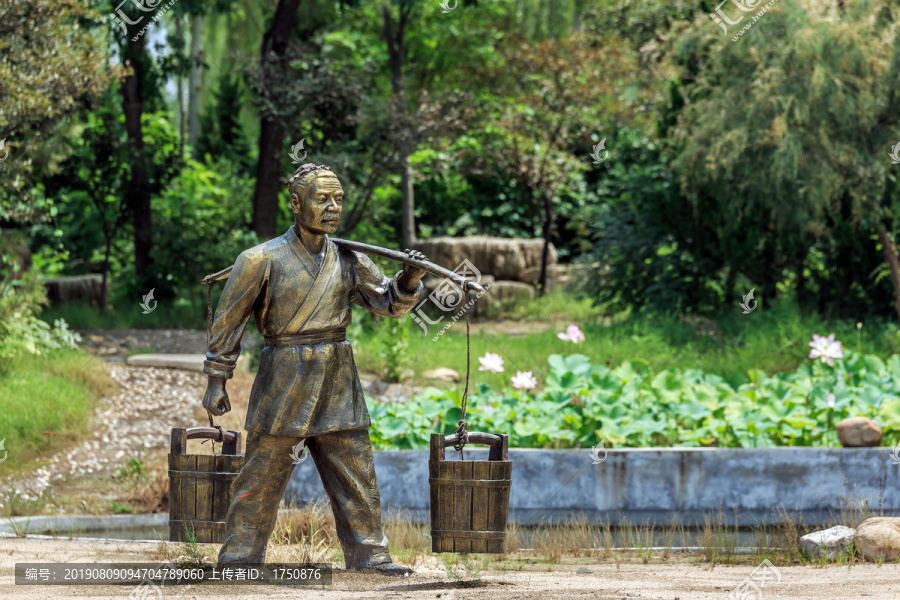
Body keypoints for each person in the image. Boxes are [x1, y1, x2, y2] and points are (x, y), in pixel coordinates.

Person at [202, 163, 426, 576]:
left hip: (338, 373)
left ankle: (370, 555)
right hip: (284, 374)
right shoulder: (258, 260)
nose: (332, 207)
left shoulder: (350, 258)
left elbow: (388, 304)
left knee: (356, 470)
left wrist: (408, 280)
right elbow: (227, 323)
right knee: (263, 472)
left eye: (338, 199)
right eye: (322, 198)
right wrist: (217, 380)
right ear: (295, 203)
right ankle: (240, 556)